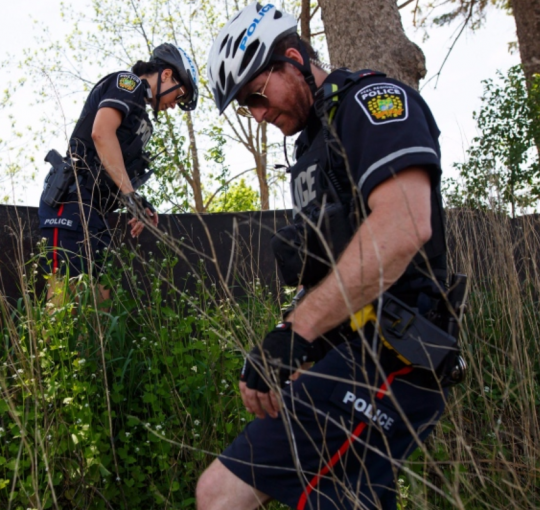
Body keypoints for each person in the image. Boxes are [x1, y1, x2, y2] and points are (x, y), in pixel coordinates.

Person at [196, 3, 463, 509]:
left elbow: (404, 226)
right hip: (351, 350)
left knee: (220, 493)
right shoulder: (311, 149)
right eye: (244, 107)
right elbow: (329, 265)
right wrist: (299, 347)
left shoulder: (372, 102)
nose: (257, 113)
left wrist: (295, 334)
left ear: (292, 58)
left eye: (256, 94)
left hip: (398, 352)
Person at [38, 43, 199, 306]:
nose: (174, 105)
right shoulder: (129, 83)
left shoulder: (140, 119)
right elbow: (101, 134)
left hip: (96, 211)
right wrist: (131, 196)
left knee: (102, 306)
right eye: (180, 95)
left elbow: (113, 167)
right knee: (63, 305)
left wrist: (138, 204)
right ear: (167, 74)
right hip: (71, 199)